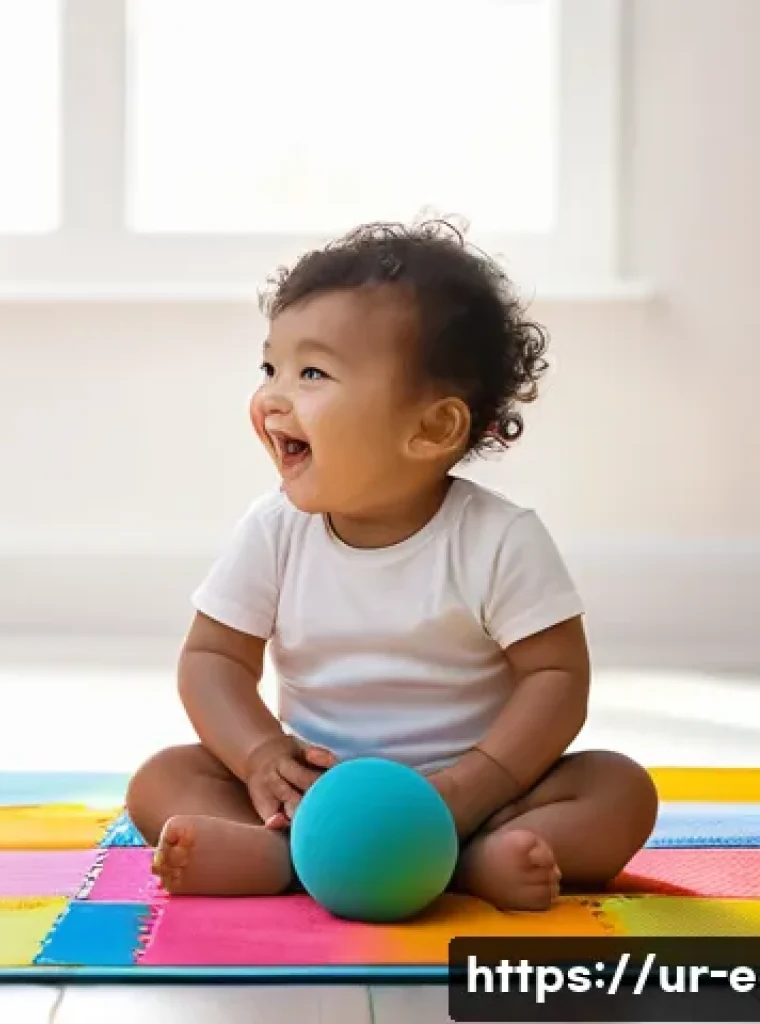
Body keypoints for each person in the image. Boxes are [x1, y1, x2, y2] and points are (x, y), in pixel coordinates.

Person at [125, 218, 658, 911]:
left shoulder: (499, 539)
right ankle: (292, 853)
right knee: (162, 779)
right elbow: (212, 660)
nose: (274, 397)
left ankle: (463, 859)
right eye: (271, 368)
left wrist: (475, 787)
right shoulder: (274, 531)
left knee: (619, 790)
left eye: (311, 373)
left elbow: (556, 679)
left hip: (471, 800)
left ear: (432, 428)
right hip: (314, 798)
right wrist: (261, 755)